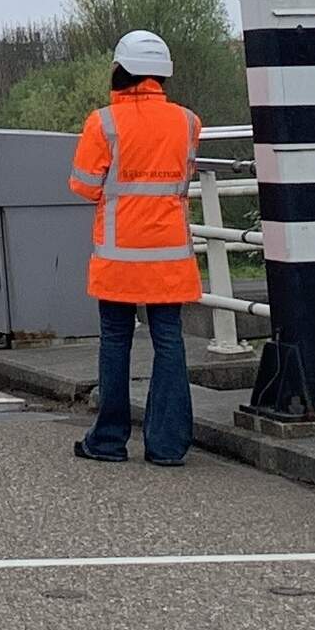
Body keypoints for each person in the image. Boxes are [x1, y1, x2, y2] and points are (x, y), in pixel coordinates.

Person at [69, 30, 202, 465]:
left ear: (120, 70)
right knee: (169, 342)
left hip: (118, 255)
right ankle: (167, 446)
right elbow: (183, 180)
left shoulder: (103, 122)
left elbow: (84, 185)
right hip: (169, 255)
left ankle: (107, 440)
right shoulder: (188, 122)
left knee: (115, 340)